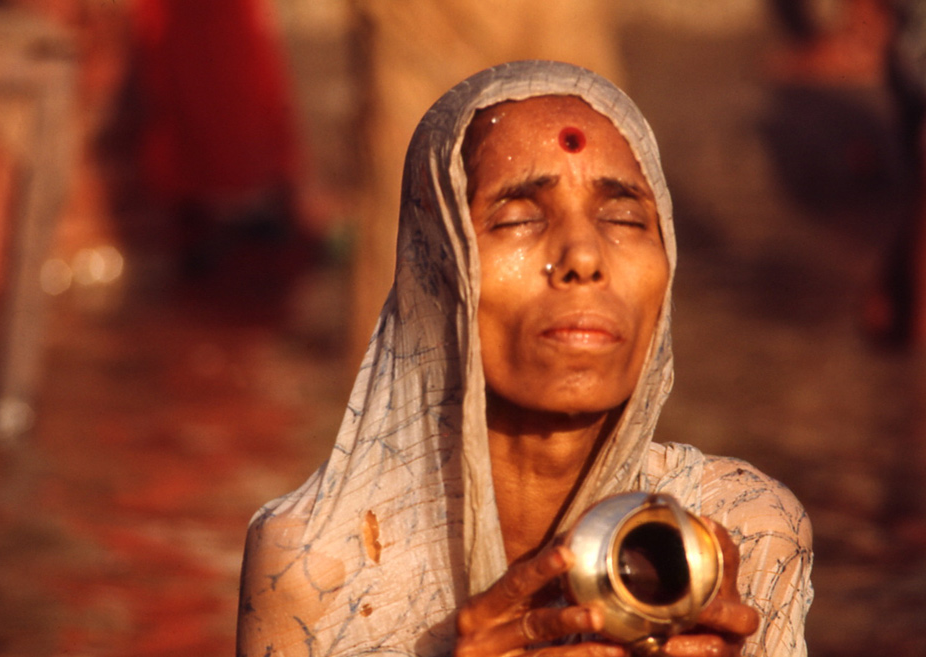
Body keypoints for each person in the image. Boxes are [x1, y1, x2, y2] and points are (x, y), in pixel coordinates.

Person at [237, 61, 813, 657]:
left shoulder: (737, 530)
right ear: (437, 271)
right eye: (517, 219)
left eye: (624, 218)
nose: (585, 256)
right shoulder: (318, 564)